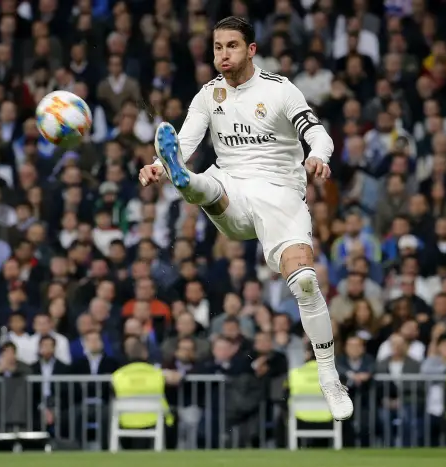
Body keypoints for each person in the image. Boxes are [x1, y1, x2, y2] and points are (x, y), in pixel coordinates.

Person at [138, 16, 352, 420]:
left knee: (305, 282)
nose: (223, 54)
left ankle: (329, 376)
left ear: (251, 50)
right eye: (218, 47)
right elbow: (183, 141)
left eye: (232, 46)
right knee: (203, 181)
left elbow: (317, 132)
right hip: (231, 188)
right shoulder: (208, 95)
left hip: (280, 196)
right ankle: (183, 181)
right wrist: (157, 165)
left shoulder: (279, 90)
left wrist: (318, 156)